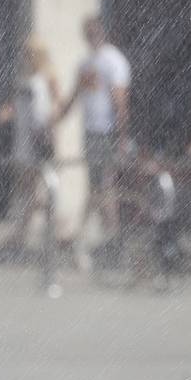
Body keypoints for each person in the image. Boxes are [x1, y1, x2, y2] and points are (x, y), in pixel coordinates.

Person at [54, 15, 131, 261]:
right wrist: (55, 122)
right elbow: (74, 95)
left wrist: (121, 137)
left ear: (102, 32)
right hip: (92, 133)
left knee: (104, 188)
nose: (91, 36)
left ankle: (98, 240)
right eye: (88, 32)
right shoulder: (86, 64)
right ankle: (101, 240)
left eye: (94, 31)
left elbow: (120, 102)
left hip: (106, 132)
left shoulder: (113, 61)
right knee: (100, 188)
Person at [0, 37, 61, 250]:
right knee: (27, 189)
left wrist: (49, 131)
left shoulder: (47, 77)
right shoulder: (25, 78)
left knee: (32, 188)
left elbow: (56, 106)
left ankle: (29, 232)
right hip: (22, 138)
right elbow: (15, 104)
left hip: (36, 139)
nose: (25, 57)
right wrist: (2, 116)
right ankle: (48, 227)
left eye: (29, 53)